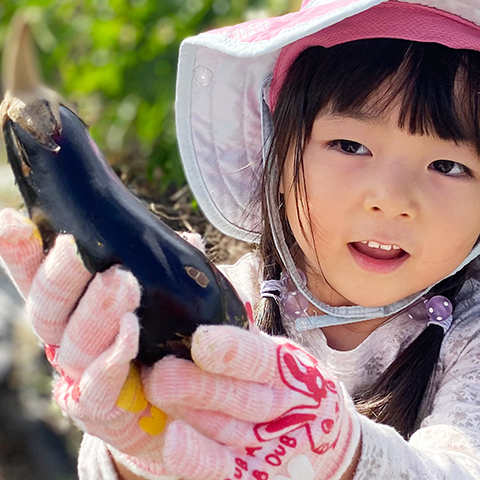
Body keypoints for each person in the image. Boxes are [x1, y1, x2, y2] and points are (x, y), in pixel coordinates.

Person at [2, 0, 480, 478]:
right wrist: (140, 446)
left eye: (450, 166)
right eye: (351, 146)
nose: (391, 199)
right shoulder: (218, 308)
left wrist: (344, 456)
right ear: (277, 154)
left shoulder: (469, 339)